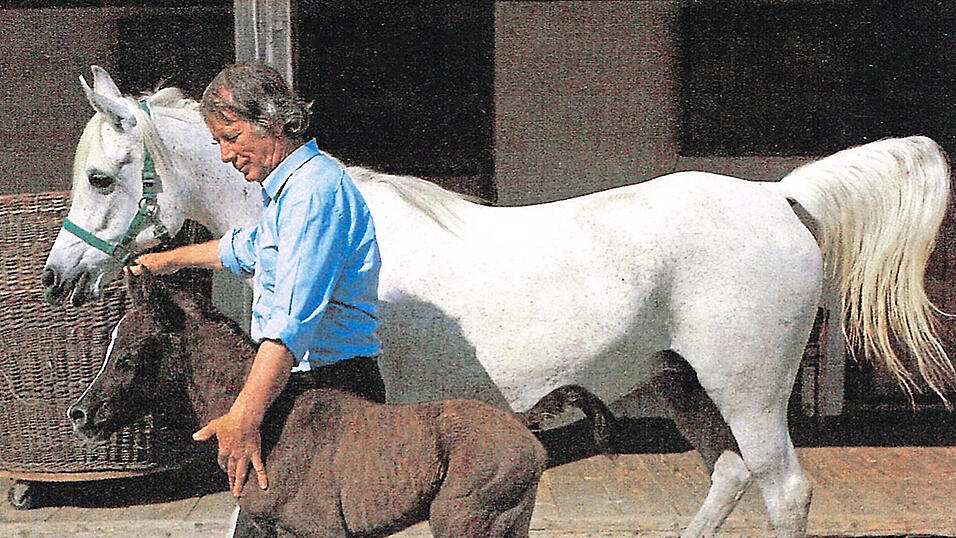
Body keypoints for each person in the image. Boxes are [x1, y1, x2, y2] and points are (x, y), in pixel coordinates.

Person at [130, 62, 385, 506]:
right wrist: (165, 259)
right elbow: (245, 248)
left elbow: (289, 325)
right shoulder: (291, 190)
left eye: (231, 138)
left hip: (332, 393)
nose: (226, 156)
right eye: (218, 143)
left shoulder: (312, 195)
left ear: (271, 122)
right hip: (303, 386)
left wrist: (243, 418)